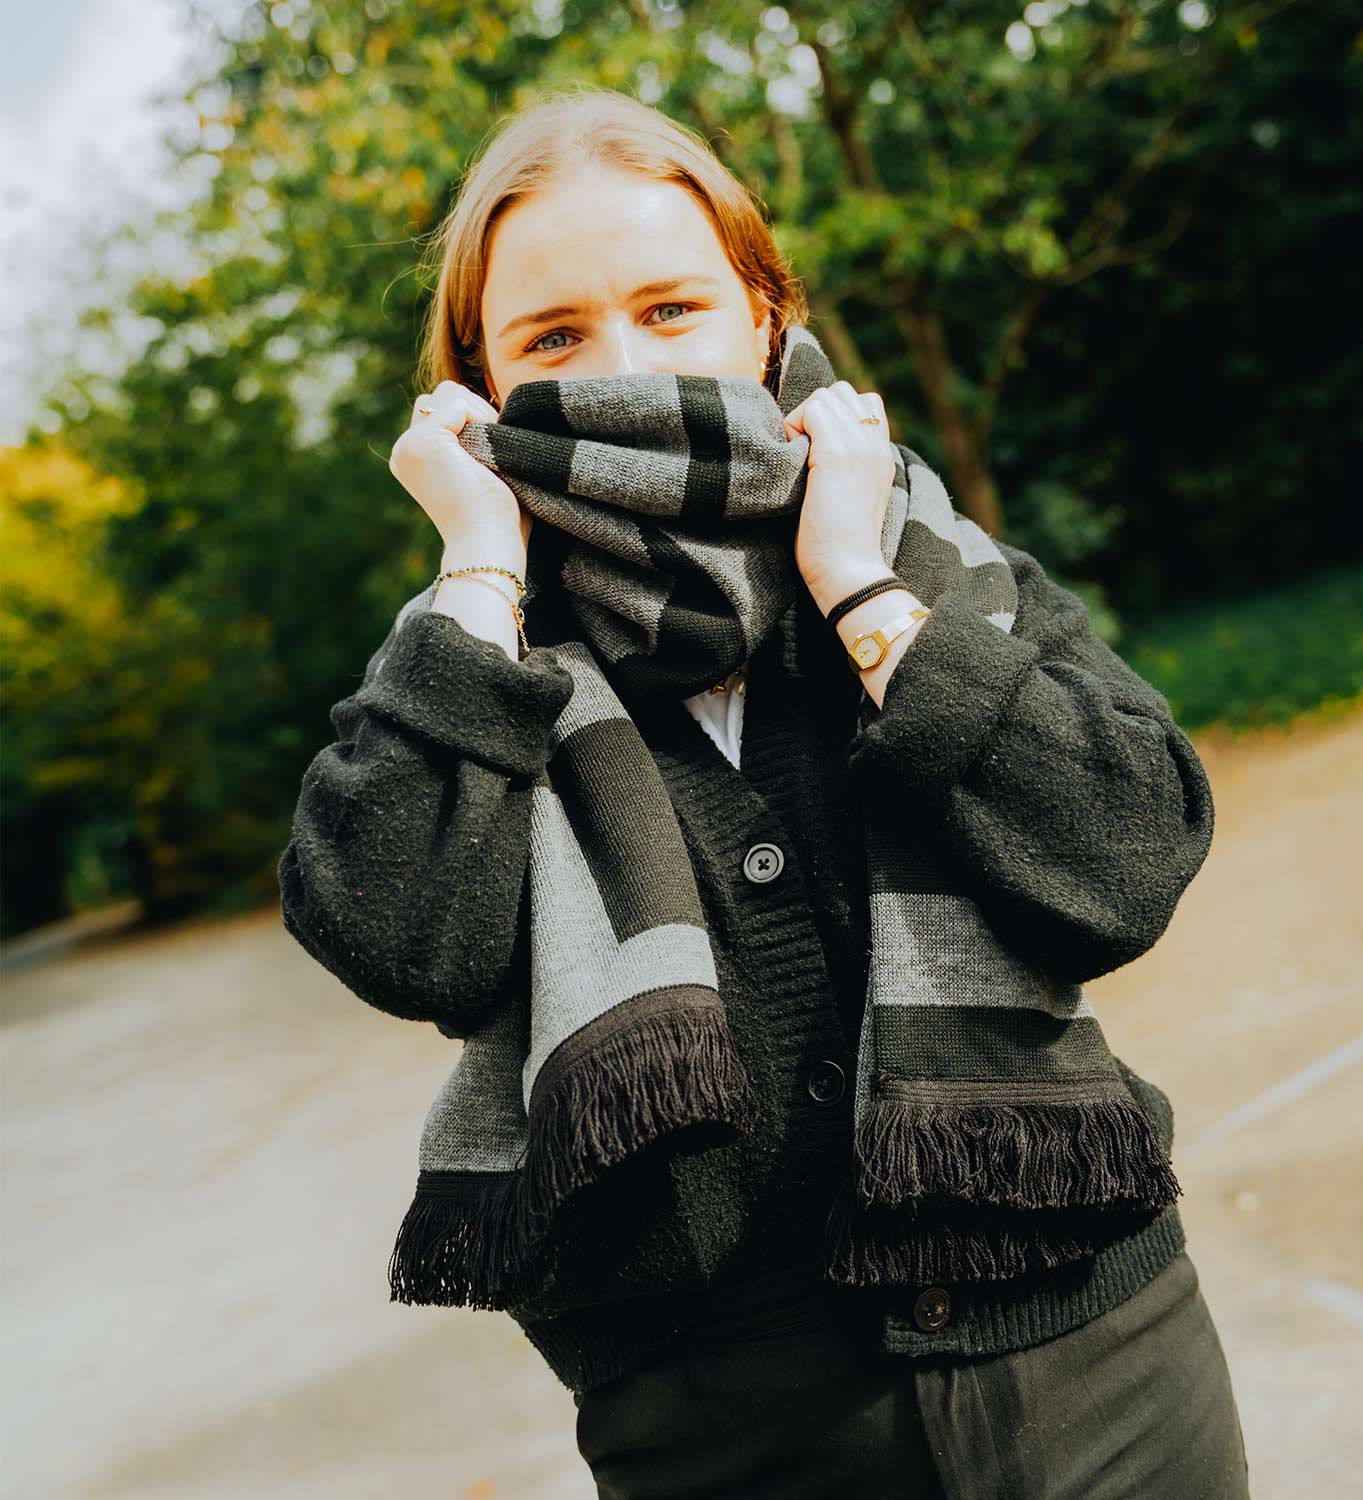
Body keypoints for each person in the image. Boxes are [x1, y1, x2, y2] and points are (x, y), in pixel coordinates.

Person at [279, 83, 1251, 1498]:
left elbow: (1130, 857)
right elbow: (398, 932)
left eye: (671, 309)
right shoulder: (472, 649)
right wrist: (480, 566)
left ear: (763, 315)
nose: (625, 369)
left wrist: (859, 588)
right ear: (479, 391)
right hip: (726, 1440)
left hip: (1104, 1376)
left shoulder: (920, 551)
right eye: (555, 336)